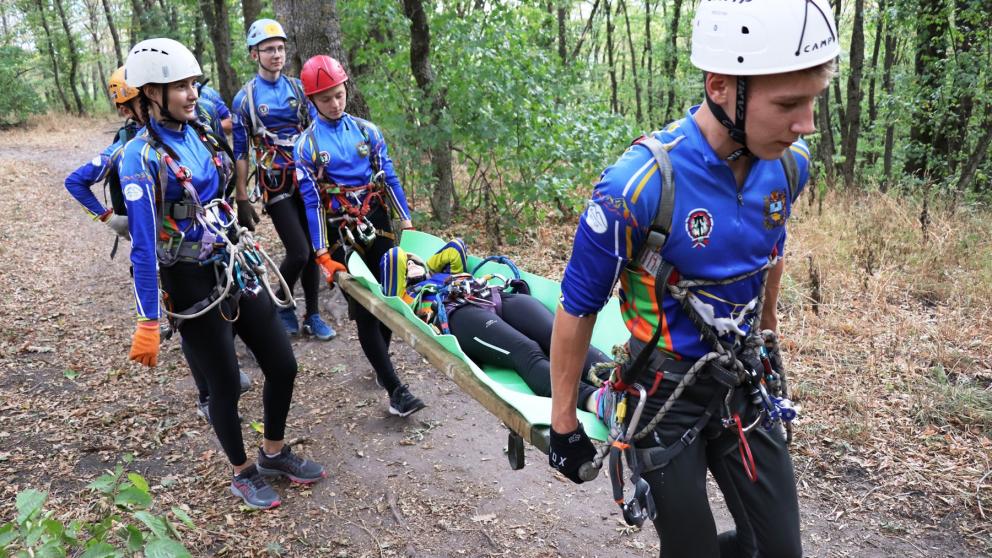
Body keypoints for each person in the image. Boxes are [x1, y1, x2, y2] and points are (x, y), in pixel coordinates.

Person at [547, 0, 839, 556]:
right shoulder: (637, 186)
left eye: (811, 103)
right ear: (721, 86)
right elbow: (578, 305)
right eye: (789, 104)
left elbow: (769, 248)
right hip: (663, 393)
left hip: (741, 378)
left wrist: (768, 329)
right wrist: (563, 423)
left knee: (780, 549)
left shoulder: (789, 165)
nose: (806, 125)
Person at [119, 37, 325, 509]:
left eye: (194, 84)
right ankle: (242, 471)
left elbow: (224, 185)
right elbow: (145, 247)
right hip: (187, 281)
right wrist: (148, 318)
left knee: (282, 364)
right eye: (181, 86)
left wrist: (242, 210)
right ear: (151, 92)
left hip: (231, 259)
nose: (193, 94)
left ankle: (273, 453)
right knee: (226, 386)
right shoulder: (140, 157)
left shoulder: (201, 131)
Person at [64, 67, 251, 422]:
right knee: (188, 319)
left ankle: (220, 377)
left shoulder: (185, 133)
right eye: (135, 104)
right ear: (128, 108)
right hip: (163, 251)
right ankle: (207, 394)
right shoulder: (125, 150)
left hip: (202, 243)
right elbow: (75, 181)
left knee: (215, 309)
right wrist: (108, 218)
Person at [295, 54, 426, 418]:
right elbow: (311, 202)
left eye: (339, 95)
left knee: (387, 297)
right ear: (312, 101)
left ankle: (383, 368)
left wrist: (407, 224)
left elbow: (390, 178)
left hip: (378, 220)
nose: (335, 104)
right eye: (326, 99)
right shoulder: (306, 147)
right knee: (366, 309)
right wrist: (321, 251)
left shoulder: (368, 132)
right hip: (341, 231)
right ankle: (395, 388)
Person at [380, 239, 612, 411]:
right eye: (406, 264)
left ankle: (620, 379)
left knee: (558, 336)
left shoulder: (447, 273)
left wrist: (428, 266)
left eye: (413, 259)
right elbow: (393, 257)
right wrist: (412, 269)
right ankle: (598, 402)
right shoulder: (408, 295)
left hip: (495, 296)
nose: (410, 262)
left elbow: (456, 247)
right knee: (527, 350)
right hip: (458, 314)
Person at [231, 18, 335, 340]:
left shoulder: (298, 90)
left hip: (306, 178)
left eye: (280, 48)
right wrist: (242, 197)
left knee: (314, 251)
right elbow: (241, 151)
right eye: (268, 49)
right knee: (299, 251)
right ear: (254, 54)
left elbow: (316, 131)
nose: (276, 55)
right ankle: (284, 304)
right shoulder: (244, 99)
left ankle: (313, 315)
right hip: (275, 182)